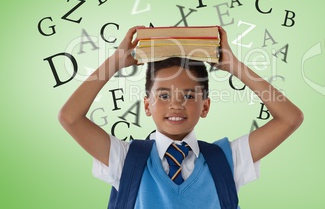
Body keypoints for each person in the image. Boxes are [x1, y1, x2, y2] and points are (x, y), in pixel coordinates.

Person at [58, 26, 304, 208]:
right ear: (147, 105)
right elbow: (70, 117)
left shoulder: (227, 161)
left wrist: (234, 65)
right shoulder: (125, 159)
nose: (176, 104)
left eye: (188, 96)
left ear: (205, 107)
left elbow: (290, 118)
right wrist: (115, 62)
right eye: (163, 96)